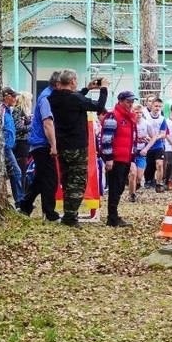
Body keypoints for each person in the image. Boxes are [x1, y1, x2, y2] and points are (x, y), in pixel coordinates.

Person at [46, 70, 109, 226]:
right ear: (73, 81)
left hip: (61, 145)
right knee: (78, 182)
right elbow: (99, 107)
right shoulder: (76, 99)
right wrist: (104, 89)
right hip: (77, 146)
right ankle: (70, 216)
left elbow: (73, 98)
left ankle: (70, 214)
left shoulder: (54, 98)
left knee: (67, 181)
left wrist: (86, 89)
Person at [19, 71, 61, 220]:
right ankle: (50, 213)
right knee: (51, 179)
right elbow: (48, 123)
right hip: (42, 144)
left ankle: (25, 205)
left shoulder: (48, 95)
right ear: (57, 84)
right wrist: (53, 145)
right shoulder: (46, 99)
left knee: (40, 178)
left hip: (39, 144)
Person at [103, 91, 138, 225]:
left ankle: (114, 215)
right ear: (120, 101)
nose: (130, 104)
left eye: (132, 102)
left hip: (126, 157)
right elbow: (107, 138)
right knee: (114, 188)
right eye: (128, 101)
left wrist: (132, 157)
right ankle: (112, 217)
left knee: (119, 187)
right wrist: (109, 157)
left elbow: (132, 139)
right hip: (116, 158)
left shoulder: (130, 117)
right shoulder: (113, 116)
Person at [0, 87, 25, 207]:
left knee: (12, 172)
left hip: (9, 146)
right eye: (13, 96)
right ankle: (20, 201)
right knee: (16, 171)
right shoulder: (1, 110)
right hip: (4, 147)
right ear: (7, 96)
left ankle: (19, 200)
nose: (15, 99)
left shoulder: (8, 110)